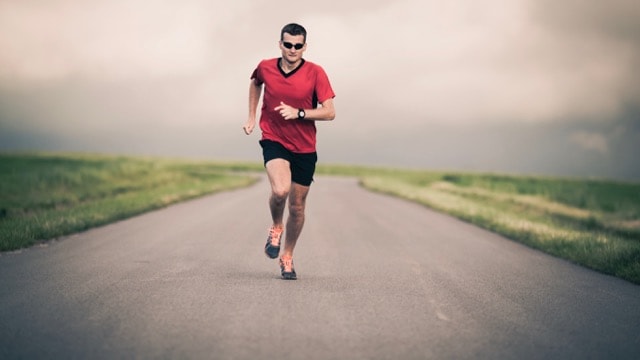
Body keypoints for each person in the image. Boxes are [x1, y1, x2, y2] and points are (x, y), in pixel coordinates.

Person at [243, 23, 336, 280]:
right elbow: (255, 83)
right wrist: (252, 116)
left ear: (304, 46)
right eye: (288, 44)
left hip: (305, 146)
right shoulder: (265, 67)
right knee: (280, 190)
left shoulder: (316, 73)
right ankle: (275, 226)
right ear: (280, 44)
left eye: (298, 45)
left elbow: (330, 112)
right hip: (274, 137)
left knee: (296, 207)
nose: (292, 50)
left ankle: (288, 255)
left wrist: (300, 114)